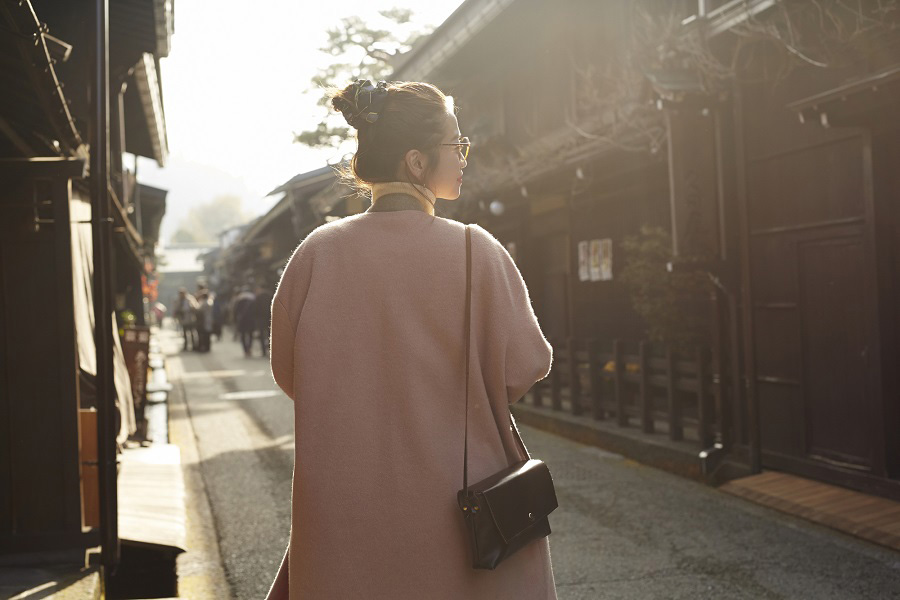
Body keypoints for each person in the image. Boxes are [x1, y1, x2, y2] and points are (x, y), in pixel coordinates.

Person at [265, 80, 556, 599]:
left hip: (346, 507)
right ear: (417, 163)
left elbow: (291, 376)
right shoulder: (475, 252)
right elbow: (525, 365)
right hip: (463, 511)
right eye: (456, 144)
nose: (464, 155)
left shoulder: (317, 254)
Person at [233, 285, 256, 357]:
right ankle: (249, 348)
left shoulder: (239, 298)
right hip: (251, 319)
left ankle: (245, 350)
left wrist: (235, 319)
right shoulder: (253, 298)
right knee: (250, 334)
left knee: (243, 335)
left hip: (242, 320)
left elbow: (236, 310)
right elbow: (256, 310)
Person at [252, 283, 273, 357]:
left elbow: (255, 309)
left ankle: (264, 351)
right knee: (270, 334)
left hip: (261, 318)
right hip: (270, 317)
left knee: (261, 335)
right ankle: (270, 350)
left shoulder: (258, 297)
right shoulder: (270, 295)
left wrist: (255, 319)